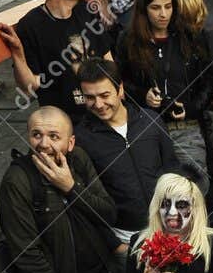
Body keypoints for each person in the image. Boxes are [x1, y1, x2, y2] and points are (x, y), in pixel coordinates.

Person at [0, 104, 124, 273]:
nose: (44, 144)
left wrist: (71, 188)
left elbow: (107, 213)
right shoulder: (17, 182)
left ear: (70, 143)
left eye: (54, 136)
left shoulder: (78, 159)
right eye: (37, 135)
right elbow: (27, 252)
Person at [117, 0, 213, 193]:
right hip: (147, 128)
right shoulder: (129, 40)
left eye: (168, 7)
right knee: (156, 194)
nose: (163, 14)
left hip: (186, 127)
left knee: (194, 191)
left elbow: (208, 81)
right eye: (155, 8)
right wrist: (144, 96)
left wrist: (190, 108)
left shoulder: (190, 36)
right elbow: (121, 83)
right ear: (144, 9)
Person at [74, 56, 182, 244]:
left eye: (104, 95)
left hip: (169, 227)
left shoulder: (151, 120)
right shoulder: (81, 139)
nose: (98, 104)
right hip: (124, 236)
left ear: (120, 89)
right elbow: (88, 200)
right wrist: (114, 245)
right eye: (90, 97)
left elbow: (173, 170)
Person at [0, 0, 114, 120]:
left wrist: (117, 90)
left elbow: (107, 57)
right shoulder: (30, 26)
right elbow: (30, 85)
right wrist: (17, 53)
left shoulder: (86, 10)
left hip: (102, 111)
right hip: (64, 120)